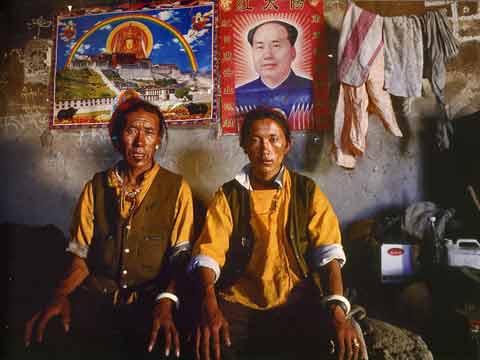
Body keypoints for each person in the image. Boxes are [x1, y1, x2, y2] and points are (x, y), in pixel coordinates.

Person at [24, 96, 194, 359]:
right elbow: (80, 254)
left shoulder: (177, 188)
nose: (140, 142)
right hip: (97, 298)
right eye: (131, 131)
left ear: (158, 139)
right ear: (118, 137)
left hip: (149, 302)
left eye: (149, 132)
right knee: (52, 332)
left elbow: (179, 258)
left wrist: (166, 301)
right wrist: (60, 293)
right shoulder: (96, 187)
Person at [189, 107, 364, 360]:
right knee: (210, 344)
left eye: (273, 139)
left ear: (287, 145)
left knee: (331, 346)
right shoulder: (228, 195)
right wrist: (210, 305)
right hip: (239, 300)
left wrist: (338, 310)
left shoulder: (306, 191)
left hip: (295, 299)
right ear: (244, 145)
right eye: (255, 140)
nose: (265, 149)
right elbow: (208, 254)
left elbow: (329, 253)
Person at [235, 21, 313, 120]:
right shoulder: (238, 96)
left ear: (293, 52)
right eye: (260, 47)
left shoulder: (311, 91)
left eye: (276, 45)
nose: (267, 55)